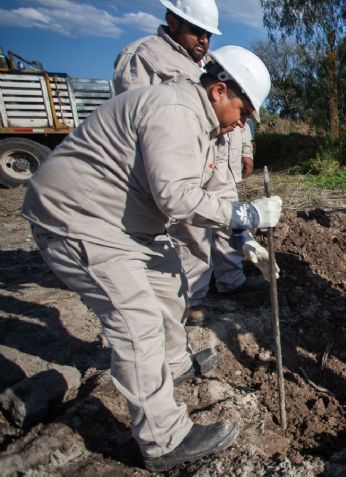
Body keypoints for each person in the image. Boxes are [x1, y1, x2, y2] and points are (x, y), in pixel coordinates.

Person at [21, 46, 278, 471]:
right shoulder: (174, 111)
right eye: (244, 111)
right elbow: (175, 197)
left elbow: (216, 192)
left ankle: (174, 366)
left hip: (125, 225)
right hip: (77, 217)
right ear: (218, 90)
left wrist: (244, 234)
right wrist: (246, 213)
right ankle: (164, 439)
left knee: (169, 281)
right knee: (136, 320)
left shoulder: (207, 126)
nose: (243, 123)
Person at [114, 0, 264, 326]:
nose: (204, 40)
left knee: (223, 218)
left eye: (208, 34)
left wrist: (244, 231)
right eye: (197, 31)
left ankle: (229, 282)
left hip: (212, 163)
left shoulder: (209, 65)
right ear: (172, 19)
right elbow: (138, 124)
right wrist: (254, 214)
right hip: (175, 168)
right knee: (190, 236)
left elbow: (235, 121)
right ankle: (190, 302)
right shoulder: (144, 57)